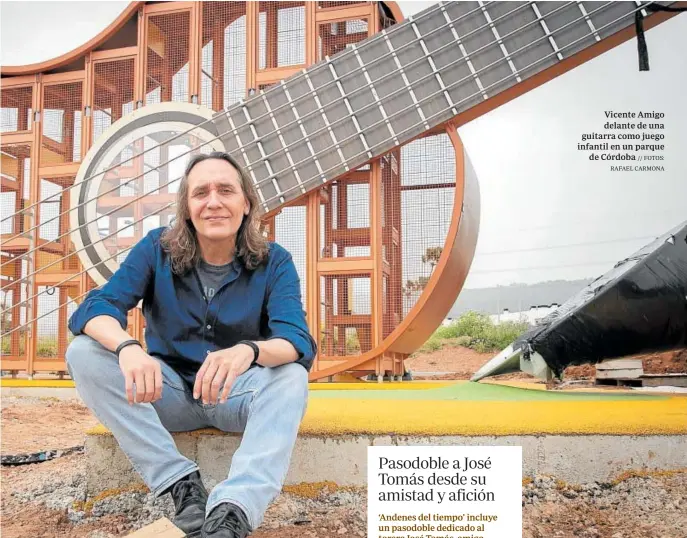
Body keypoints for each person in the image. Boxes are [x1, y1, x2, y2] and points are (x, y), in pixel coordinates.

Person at [66, 151, 317, 538]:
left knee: (290, 377)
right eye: (201, 192)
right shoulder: (156, 248)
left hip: (238, 396)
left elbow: (297, 341)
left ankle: (233, 512)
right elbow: (95, 307)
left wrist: (249, 350)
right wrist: (128, 348)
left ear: (245, 203)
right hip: (168, 396)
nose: (213, 201)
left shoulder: (274, 261)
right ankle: (180, 484)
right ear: (186, 207)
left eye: (226, 190)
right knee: (83, 352)